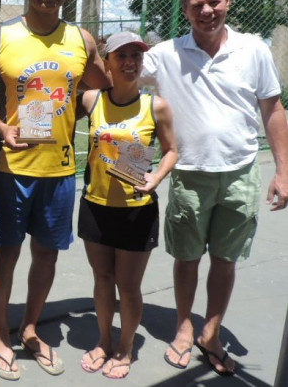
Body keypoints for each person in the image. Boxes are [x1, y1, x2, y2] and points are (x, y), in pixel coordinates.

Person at [142, 0, 288, 376]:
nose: (207, 10)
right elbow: (120, 72)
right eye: (197, 5)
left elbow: (272, 109)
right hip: (189, 174)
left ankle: (211, 332)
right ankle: (183, 327)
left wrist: (283, 171)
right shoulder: (166, 54)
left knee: (225, 259)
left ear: (227, 2)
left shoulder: (253, 49)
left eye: (214, 2)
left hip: (240, 173)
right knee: (187, 258)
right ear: (185, 10)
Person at [0, 0, 111, 378]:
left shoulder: (81, 40)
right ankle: (0, 334)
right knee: (5, 257)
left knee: (47, 256)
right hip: (11, 170)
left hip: (59, 170)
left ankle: (30, 328)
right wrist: (1, 128)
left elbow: (105, 89)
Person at [76, 31, 177, 379]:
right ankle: (104, 340)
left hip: (136, 210)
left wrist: (156, 177)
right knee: (103, 279)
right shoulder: (91, 100)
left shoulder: (155, 106)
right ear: (107, 63)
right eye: (121, 56)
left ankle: (125, 347)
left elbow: (171, 150)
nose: (130, 63)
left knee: (128, 285)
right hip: (96, 205)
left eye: (136, 56)